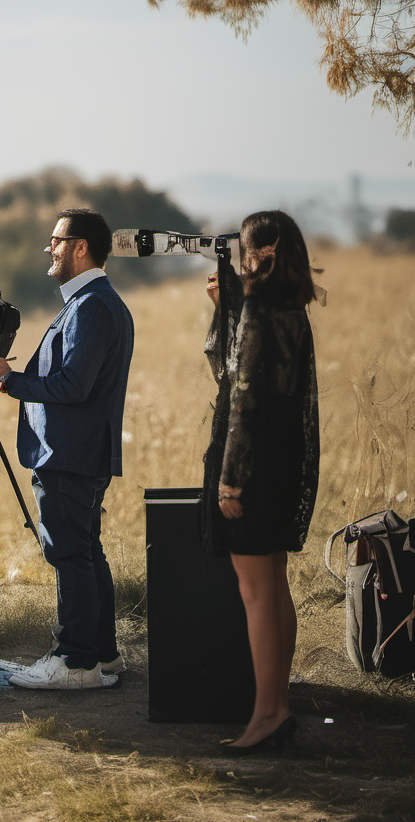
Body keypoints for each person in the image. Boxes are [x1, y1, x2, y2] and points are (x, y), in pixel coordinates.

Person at [0, 208, 134, 690]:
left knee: (69, 555)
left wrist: (10, 379)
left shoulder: (91, 306)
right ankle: (102, 658)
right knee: (86, 553)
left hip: (69, 452)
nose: (50, 247)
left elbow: (74, 385)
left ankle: (75, 662)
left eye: (57, 239)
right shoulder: (92, 302)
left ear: (80, 247)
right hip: (78, 451)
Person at [202, 209, 319, 754]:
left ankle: (266, 714)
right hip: (283, 458)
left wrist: (230, 484)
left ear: (260, 256)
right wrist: (227, 308)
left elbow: (240, 395)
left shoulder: (256, 311)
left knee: (255, 595)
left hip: (251, 466)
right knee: (275, 586)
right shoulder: (292, 312)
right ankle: (280, 705)